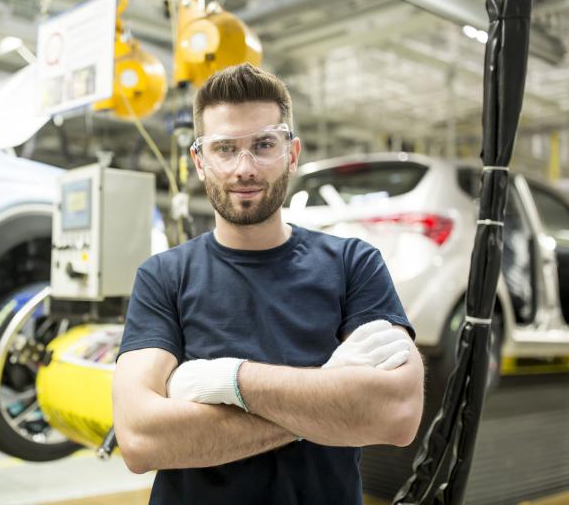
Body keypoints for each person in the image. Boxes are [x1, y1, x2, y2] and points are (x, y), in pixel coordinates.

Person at [112, 63, 424, 504]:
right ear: (200, 162)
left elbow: (397, 415)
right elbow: (141, 440)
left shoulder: (353, 264)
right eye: (224, 149)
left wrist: (224, 380)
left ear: (291, 153)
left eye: (263, 145)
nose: (245, 168)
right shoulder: (163, 276)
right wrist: (328, 394)